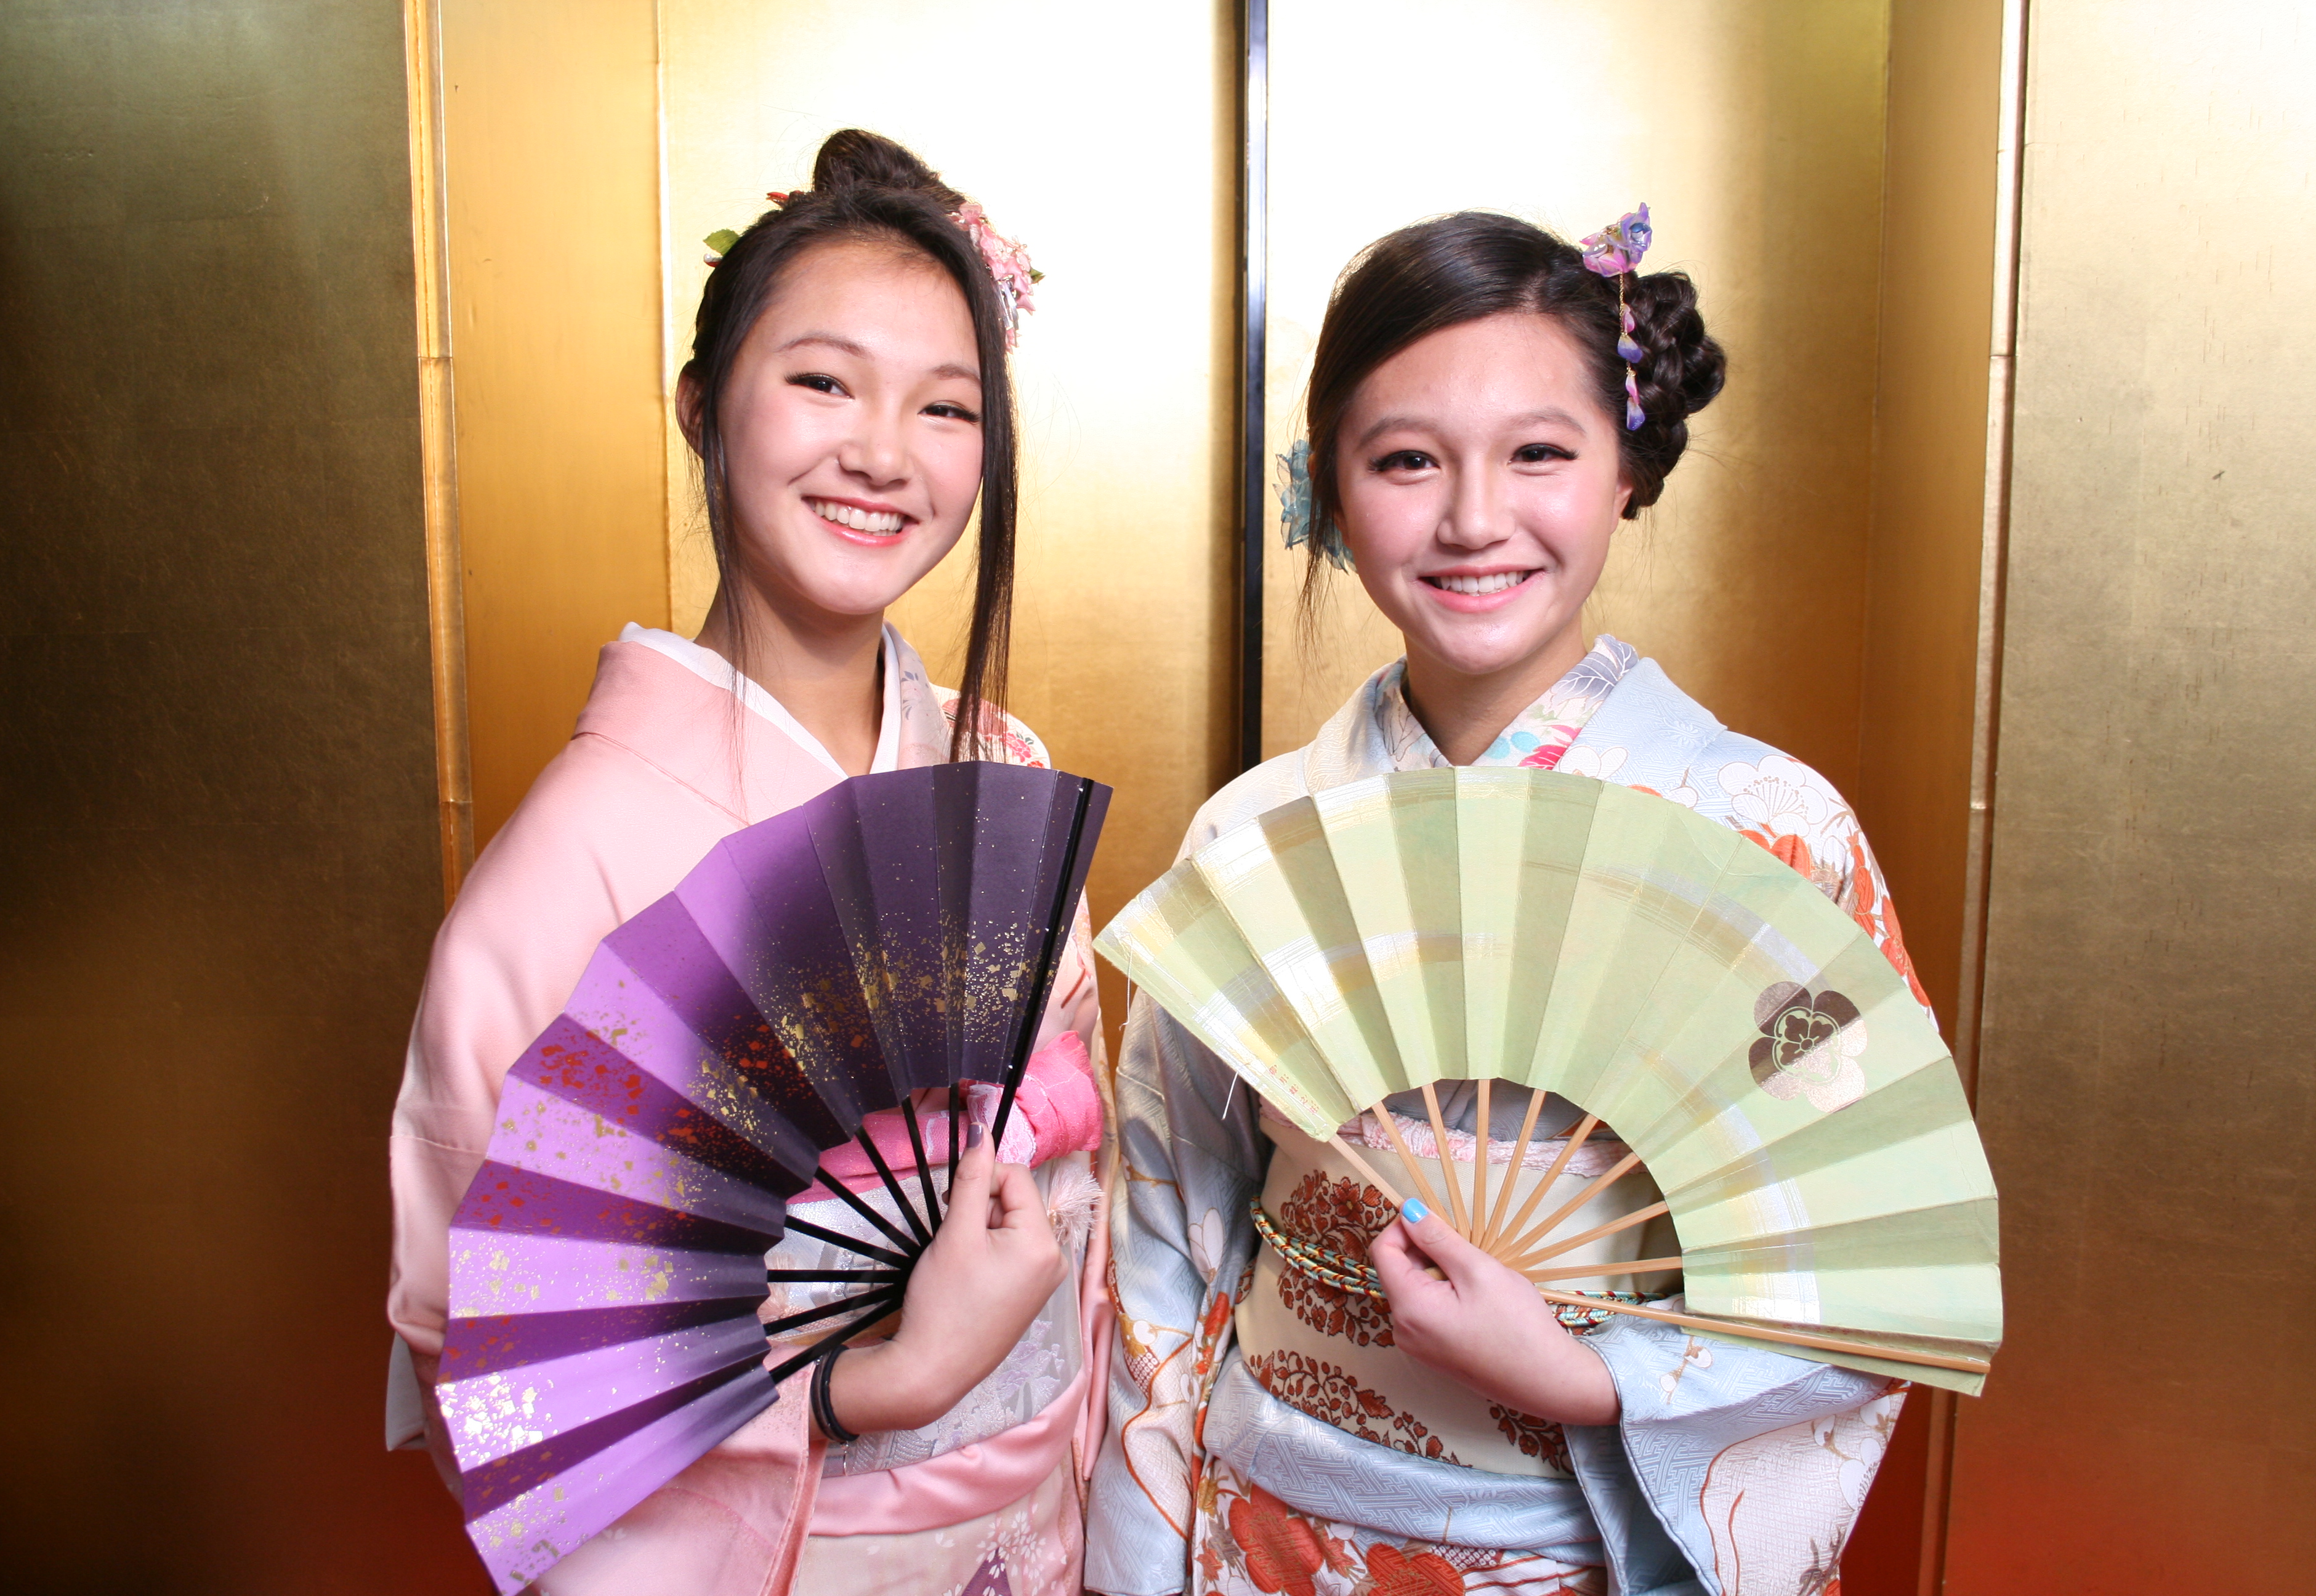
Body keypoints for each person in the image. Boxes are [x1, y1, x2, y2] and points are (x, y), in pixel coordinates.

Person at [1087, 209, 1927, 1596]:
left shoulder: (1771, 832)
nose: (1475, 519)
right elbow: (1163, 1246)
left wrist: (1600, 1376)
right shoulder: (1254, 837)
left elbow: (1879, 1258)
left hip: (1585, 1553)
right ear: (1330, 490)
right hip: (1270, 1536)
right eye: (1407, 461)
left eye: (1540, 452)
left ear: (1627, 475)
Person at [386, 129, 1112, 1596]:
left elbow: (1087, 1196)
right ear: (702, 407)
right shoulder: (570, 863)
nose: (885, 453)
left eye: (948, 406)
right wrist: (863, 1395)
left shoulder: (1001, 770)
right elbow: (501, 1361)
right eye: (824, 381)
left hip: (1043, 1531)